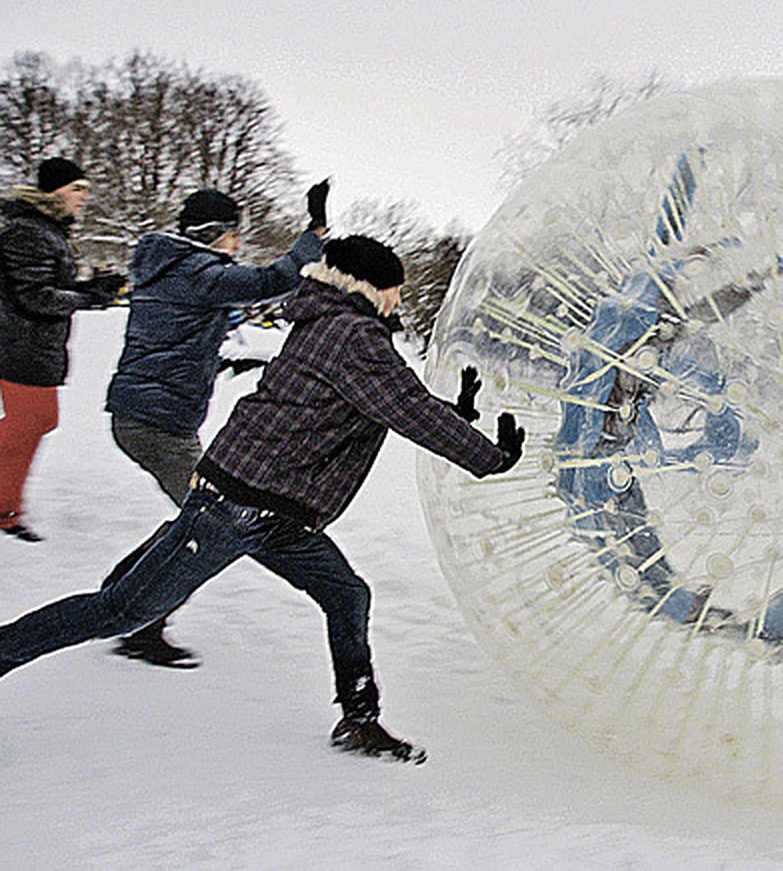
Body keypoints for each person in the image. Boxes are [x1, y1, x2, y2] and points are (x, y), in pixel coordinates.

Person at [0, 235, 525, 763]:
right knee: (119, 611)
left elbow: (392, 400)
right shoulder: (353, 334)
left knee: (346, 594)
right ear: (369, 287)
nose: (397, 302)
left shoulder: (331, 324)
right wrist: (490, 457)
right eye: (393, 290)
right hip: (235, 505)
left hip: (275, 513)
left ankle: (359, 721)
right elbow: (404, 406)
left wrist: (456, 414)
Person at [99, 182, 329, 668]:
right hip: (156, 423)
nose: (239, 245)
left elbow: (172, 335)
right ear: (216, 233)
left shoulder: (170, 270)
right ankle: (138, 622)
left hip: (147, 417)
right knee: (212, 525)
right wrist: (313, 234)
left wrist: (221, 360)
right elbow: (274, 279)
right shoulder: (197, 271)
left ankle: (119, 591)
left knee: (198, 518)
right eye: (234, 235)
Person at [0, 158, 120, 542]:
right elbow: (34, 296)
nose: (84, 197)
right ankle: (4, 508)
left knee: (33, 422)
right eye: (77, 189)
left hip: (32, 344)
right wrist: (88, 297)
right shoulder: (29, 230)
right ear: (54, 191)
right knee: (33, 420)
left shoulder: (47, 230)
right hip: (19, 342)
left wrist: (91, 287)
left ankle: (5, 507)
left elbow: (45, 284)